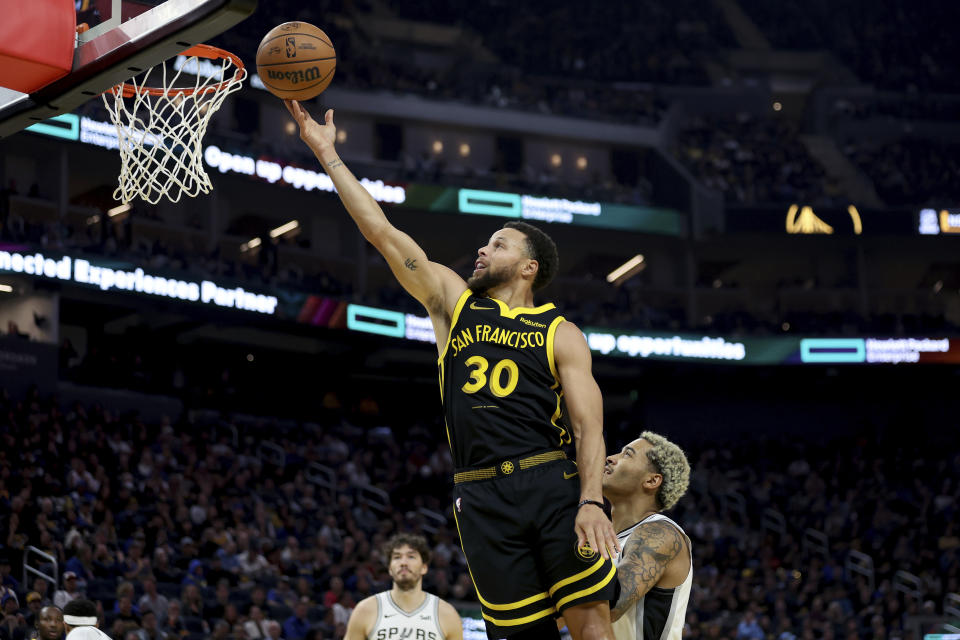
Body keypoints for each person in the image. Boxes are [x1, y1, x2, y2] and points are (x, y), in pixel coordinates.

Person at [286, 101, 618, 640]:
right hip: (480, 493)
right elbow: (383, 233)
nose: (482, 250)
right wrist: (329, 155)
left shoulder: (562, 332)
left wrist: (590, 502)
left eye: (498, 245)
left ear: (529, 267)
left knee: (590, 626)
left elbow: (589, 429)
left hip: (549, 484)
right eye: (486, 242)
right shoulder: (454, 302)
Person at [601, 432, 692, 640]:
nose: (611, 457)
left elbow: (611, 605)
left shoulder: (661, 533)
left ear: (651, 480)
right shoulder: (602, 539)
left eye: (627, 454)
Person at [345, 534, 461, 640]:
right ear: (390, 569)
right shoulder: (365, 610)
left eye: (411, 556)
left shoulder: (447, 613)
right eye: (397, 557)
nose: (403, 562)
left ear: (424, 567)